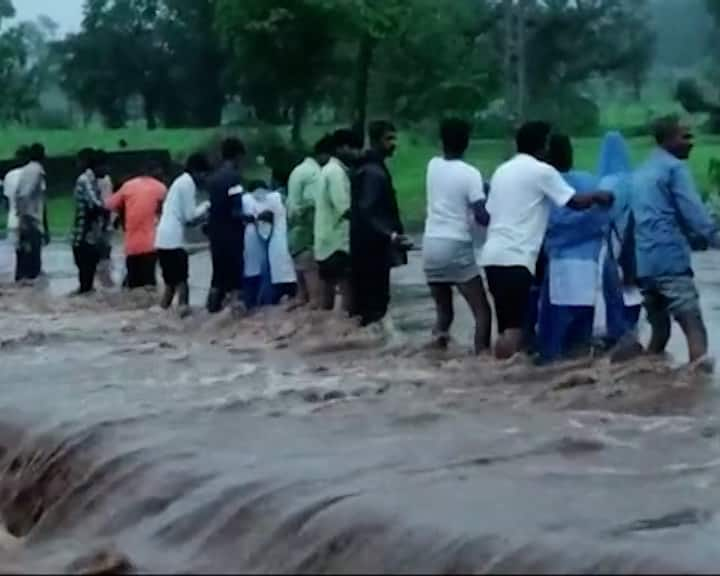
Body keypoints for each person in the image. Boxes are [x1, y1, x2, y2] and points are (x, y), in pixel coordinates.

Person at [481, 122, 614, 360]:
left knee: (506, 328)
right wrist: (598, 196)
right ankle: (501, 382)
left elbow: (489, 214)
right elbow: (574, 202)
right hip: (517, 259)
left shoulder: (502, 170)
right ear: (542, 147)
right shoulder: (542, 171)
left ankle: (495, 374)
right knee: (516, 331)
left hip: (492, 257)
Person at [631, 116, 720, 366]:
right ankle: (697, 389)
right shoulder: (674, 169)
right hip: (670, 260)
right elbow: (696, 217)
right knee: (694, 327)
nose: (691, 143)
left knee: (660, 333)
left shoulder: (642, 171)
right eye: (685, 136)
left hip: (645, 263)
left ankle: (644, 376)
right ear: (669, 139)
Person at [536, 134, 609, 363]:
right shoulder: (590, 181)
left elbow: (550, 223)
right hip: (590, 263)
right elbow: (601, 219)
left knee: (555, 328)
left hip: (560, 264)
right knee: (583, 324)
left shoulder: (548, 184)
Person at [422, 118, 491, 353]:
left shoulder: (432, 166)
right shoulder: (470, 173)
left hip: (430, 245)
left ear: (441, 142)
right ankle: (482, 357)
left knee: (444, 313)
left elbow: (450, 188)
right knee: (482, 311)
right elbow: (481, 215)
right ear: (467, 142)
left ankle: (435, 354)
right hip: (455, 244)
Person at [351, 121, 410, 327]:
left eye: (394, 138)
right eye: (388, 139)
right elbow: (368, 211)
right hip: (371, 251)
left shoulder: (369, 168)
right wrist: (390, 235)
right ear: (376, 141)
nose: (393, 144)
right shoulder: (373, 173)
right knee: (374, 306)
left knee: (369, 307)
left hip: (366, 249)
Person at [596, 131, 643, 347]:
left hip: (614, 242)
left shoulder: (605, 183)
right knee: (633, 288)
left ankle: (617, 331)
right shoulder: (636, 181)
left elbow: (600, 216)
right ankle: (632, 330)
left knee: (612, 288)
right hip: (637, 245)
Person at [155, 153, 211, 313]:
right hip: (174, 241)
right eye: (203, 174)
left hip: (163, 240)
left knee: (170, 285)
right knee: (182, 282)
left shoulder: (179, 182)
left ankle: (163, 312)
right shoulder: (188, 183)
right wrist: (207, 206)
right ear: (196, 171)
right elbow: (190, 216)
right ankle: (183, 314)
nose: (204, 178)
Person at [315, 129, 361, 312]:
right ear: (342, 148)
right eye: (354, 149)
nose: (356, 154)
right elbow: (345, 208)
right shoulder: (336, 173)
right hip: (337, 243)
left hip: (324, 242)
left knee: (327, 295)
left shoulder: (326, 170)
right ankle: (344, 330)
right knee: (347, 290)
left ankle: (324, 331)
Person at [286, 136, 332, 308]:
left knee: (301, 296)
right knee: (316, 300)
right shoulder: (314, 174)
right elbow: (314, 204)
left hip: (294, 235)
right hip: (306, 234)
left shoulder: (298, 170)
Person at [106, 164, 167, 289]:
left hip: (132, 247)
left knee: (133, 285)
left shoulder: (128, 186)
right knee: (149, 284)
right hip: (151, 245)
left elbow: (109, 205)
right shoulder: (161, 188)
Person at [238, 180, 297, 310]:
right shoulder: (266, 199)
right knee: (265, 273)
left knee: (267, 273)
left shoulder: (271, 199)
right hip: (264, 242)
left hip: (270, 242)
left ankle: (261, 302)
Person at [206, 137, 246, 314]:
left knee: (218, 275)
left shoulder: (213, 179)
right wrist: (250, 218)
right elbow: (236, 209)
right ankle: (235, 311)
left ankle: (211, 310)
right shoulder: (235, 179)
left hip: (215, 233)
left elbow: (213, 207)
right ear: (238, 156)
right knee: (235, 275)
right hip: (232, 233)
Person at [71, 149, 111, 295]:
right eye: (106, 166)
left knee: (88, 281)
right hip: (83, 237)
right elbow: (95, 204)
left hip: (89, 237)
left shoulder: (93, 180)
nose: (108, 170)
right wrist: (112, 207)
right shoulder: (85, 180)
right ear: (98, 166)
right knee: (86, 281)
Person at [15, 143, 49, 284]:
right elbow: (23, 196)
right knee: (32, 263)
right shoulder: (35, 172)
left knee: (27, 260)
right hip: (31, 222)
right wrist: (26, 220)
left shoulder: (29, 171)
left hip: (30, 220)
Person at [3, 146, 29, 247]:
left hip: (13, 220)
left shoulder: (9, 175)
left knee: (17, 256)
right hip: (31, 223)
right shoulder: (35, 174)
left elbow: (6, 202)